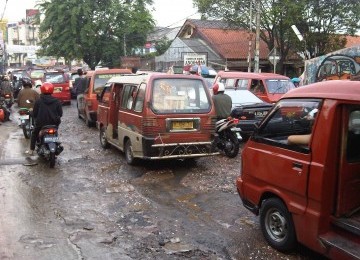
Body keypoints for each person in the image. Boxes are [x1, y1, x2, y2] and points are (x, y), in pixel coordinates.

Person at [26, 82, 63, 156]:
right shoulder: (57, 101)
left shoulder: (38, 101)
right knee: (55, 131)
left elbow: (35, 114)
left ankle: (31, 150)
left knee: (34, 133)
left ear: (42, 90)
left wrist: (33, 114)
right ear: (52, 90)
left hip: (41, 123)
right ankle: (56, 142)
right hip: (54, 123)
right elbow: (60, 114)